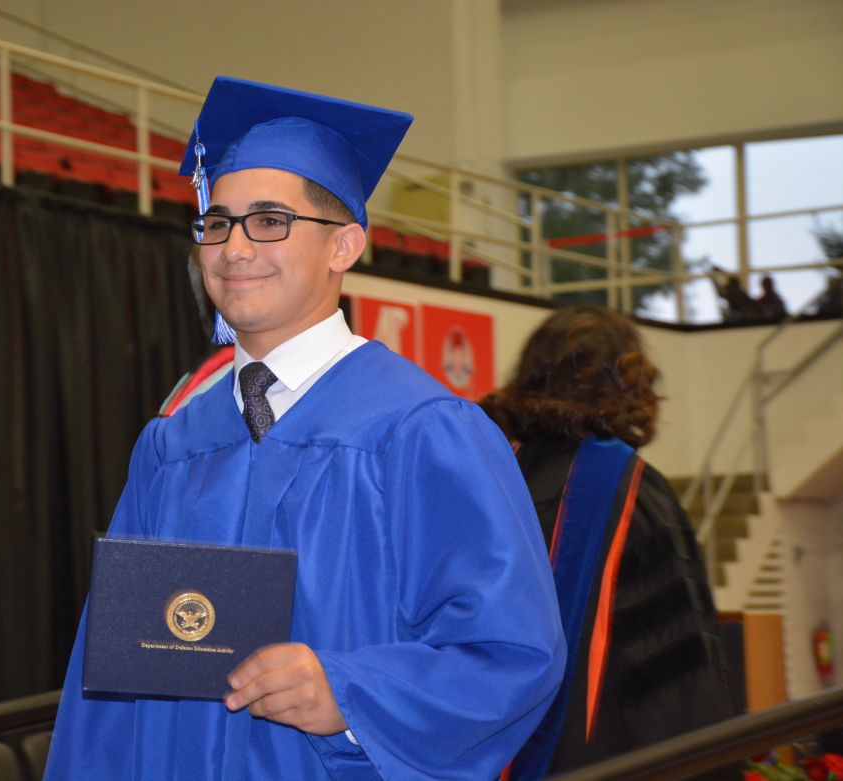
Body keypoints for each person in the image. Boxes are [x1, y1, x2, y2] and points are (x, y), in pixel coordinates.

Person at [43, 76, 565, 780]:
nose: (233, 248)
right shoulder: (171, 445)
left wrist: (352, 695)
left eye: (269, 221)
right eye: (218, 223)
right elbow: (105, 684)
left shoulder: (421, 431)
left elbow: (511, 654)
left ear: (344, 246)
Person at [479, 306, 738, 779]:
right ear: (629, 382)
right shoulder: (635, 496)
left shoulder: (488, 479)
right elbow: (678, 681)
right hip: (605, 761)